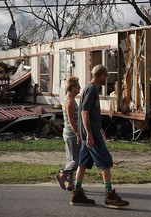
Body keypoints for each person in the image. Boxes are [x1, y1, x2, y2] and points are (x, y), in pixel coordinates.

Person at [70, 64, 129, 208]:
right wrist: (90, 134)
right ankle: (109, 195)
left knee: (83, 163)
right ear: (101, 75)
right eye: (106, 76)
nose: (106, 79)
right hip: (91, 136)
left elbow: (91, 114)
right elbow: (84, 113)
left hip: (90, 134)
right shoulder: (91, 90)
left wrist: (99, 128)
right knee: (106, 161)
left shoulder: (89, 89)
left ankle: (77, 193)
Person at [55, 76, 81, 191]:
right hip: (71, 134)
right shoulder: (69, 101)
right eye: (78, 86)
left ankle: (69, 183)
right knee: (77, 160)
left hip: (68, 134)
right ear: (73, 87)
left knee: (70, 160)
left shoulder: (70, 99)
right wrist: (77, 134)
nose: (80, 88)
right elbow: (71, 120)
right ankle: (62, 174)